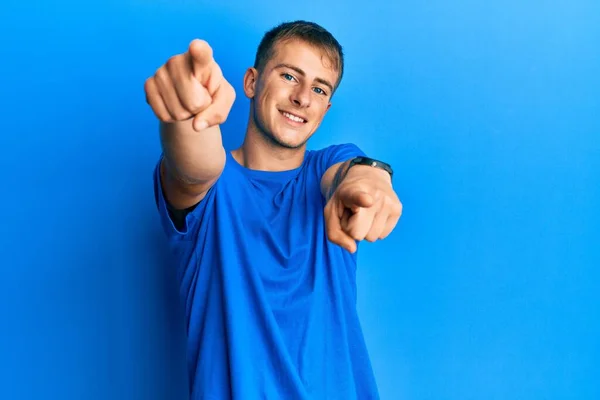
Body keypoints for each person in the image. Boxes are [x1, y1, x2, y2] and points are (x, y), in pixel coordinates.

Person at [144, 20, 402, 400]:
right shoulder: (214, 185)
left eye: (319, 88)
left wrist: (374, 181)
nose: (302, 97)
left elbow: (354, 174)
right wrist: (184, 112)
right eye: (288, 76)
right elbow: (194, 165)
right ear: (252, 82)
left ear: (326, 108)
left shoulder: (326, 169)